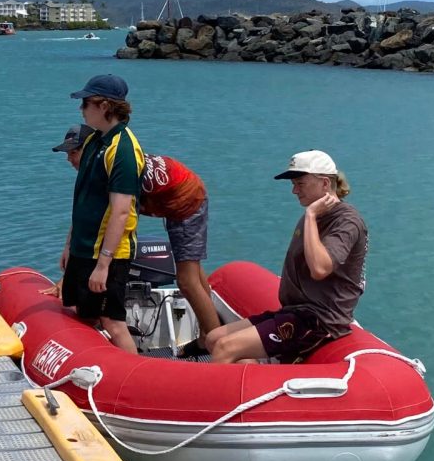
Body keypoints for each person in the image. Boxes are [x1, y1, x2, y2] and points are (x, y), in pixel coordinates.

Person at [205, 150, 367, 365]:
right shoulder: (314, 215)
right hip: (295, 312)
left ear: (325, 184)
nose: (294, 190)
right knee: (214, 338)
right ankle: (253, 387)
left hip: (319, 320)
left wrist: (310, 216)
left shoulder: (346, 221)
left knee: (225, 348)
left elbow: (320, 269)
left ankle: (221, 398)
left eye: (300, 183)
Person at [59, 74, 145, 354]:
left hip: (107, 253)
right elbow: (85, 198)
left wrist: (103, 265)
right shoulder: (96, 140)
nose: (81, 109)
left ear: (105, 106)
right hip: (84, 248)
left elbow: (120, 211)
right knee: (82, 312)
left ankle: (137, 379)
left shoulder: (123, 149)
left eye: (86, 103)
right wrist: (70, 244)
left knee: (112, 321)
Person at [138, 153, 222, 342]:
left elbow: (118, 219)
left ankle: (217, 342)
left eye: (73, 153)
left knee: (186, 281)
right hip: (185, 190)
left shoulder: (115, 174)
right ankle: (206, 333)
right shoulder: (119, 157)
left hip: (186, 202)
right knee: (193, 268)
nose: (70, 159)